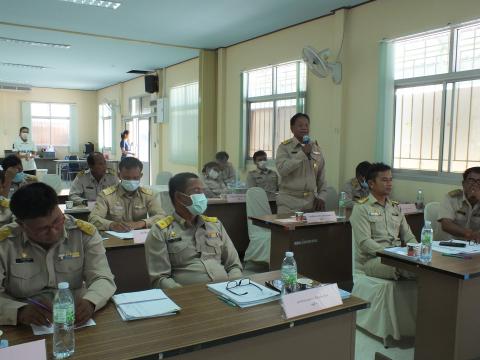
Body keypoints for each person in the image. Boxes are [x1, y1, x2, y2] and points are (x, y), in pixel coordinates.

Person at [0, 183, 116, 326]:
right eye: (42, 229)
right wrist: (18, 311)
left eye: (57, 221)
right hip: (24, 323)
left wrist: (91, 301)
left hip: (75, 316)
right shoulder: (4, 243)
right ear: (21, 224)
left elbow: (102, 277)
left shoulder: (83, 234)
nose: (54, 231)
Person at [145, 172, 243, 289]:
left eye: (203, 191)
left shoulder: (215, 225)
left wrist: (234, 286)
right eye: (197, 191)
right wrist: (188, 296)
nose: (202, 196)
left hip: (228, 291)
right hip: (189, 297)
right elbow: (160, 279)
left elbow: (234, 265)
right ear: (179, 197)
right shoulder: (161, 231)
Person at [350, 163, 417, 280]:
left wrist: (417, 252)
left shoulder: (395, 207)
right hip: (373, 261)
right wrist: (390, 254)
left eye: (391, 180)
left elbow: (409, 236)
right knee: (413, 268)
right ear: (371, 183)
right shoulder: (361, 208)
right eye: (384, 180)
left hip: (396, 257)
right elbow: (365, 242)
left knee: (426, 265)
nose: (389, 184)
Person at [88, 157, 165, 231]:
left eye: (135, 178)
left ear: (140, 176)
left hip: (139, 238)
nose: (131, 181)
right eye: (127, 178)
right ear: (119, 176)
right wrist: (111, 225)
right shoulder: (106, 196)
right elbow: (93, 219)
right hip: (115, 240)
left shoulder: (148, 195)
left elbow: (161, 216)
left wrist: (143, 223)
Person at [275, 113, 327, 214]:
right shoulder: (284, 147)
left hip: (310, 204)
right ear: (292, 128)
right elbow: (282, 170)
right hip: (289, 204)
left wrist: (322, 197)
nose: (304, 128)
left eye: (307, 125)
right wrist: (302, 153)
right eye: (300, 125)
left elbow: (322, 177)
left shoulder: (316, 148)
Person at [438, 167, 480, 242]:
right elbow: (446, 225)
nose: (475, 185)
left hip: (476, 247)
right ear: (463, 184)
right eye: (471, 181)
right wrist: (470, 235)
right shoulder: (451, 198)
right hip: (452, 245)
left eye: (479, 181)